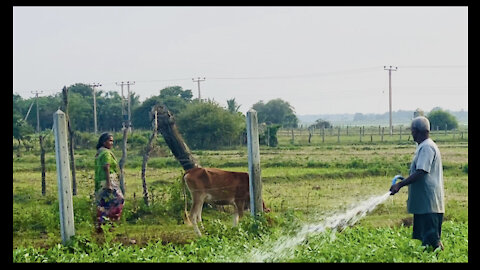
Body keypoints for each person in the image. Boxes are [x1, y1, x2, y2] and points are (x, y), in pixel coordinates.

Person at [390, 116, 445, 251]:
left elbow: (421, 171)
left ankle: (440, 258)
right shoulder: (424, 146)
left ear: (417, 131)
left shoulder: (427, 147)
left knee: (432, 239)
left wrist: (400, 185)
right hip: (424, 203)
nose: (412, 133)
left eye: (412, 131)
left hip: (429, 203)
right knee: (426, 239)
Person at [94, 132, 124, 233]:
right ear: (104, 142)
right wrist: (109, 184)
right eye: (109, 140)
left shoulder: (99, 153)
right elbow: (106, 167)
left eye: (112, 141)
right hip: (108, 181)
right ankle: (111, 222)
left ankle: (102, 226)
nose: (111, 143)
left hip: (100, 182)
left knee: (104, 203)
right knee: (119, 199)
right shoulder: (106, 153)